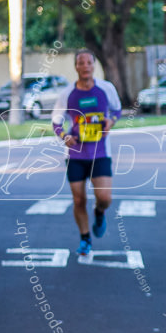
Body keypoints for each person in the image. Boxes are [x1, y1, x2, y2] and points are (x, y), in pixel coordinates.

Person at [52, 50, 122, 257]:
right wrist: (65, 136)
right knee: (79, 200)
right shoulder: (67, 94)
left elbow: (117, 110)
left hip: (100, 153)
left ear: (93, 65)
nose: (85, 66)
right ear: (76, 67)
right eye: (80, 63)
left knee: (105, 197)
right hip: (75, 155)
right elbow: (56, 122)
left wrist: (111, 121)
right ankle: (85, 238)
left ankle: (99, 212)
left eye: (88, 62)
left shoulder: (106, 89)